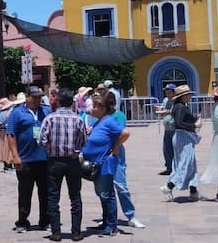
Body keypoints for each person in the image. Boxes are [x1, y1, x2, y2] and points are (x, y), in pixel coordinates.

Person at [38, 88, 86, 242]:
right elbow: (84, 140)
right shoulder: (78, 119)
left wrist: (51, 148)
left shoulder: (50, 119)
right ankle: (76, 232)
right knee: (75, 196)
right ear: (71, 102)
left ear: (58, 101)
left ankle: (56, 232)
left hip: (54, 161)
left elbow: (41, 141)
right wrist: (76, 149)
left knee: (53, 196)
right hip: (72, 161)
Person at [82, 91, 130, 237]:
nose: (92, 109)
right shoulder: (99, 121)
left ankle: (111, 226)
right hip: (96, 164)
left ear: (103, 109)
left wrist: (115, 147)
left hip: (105, 163)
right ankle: (106, 222)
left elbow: (125, 133)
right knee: (102, 194)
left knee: (107, 194)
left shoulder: (108, 120)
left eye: (95, 107)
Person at [8, 86, 51, 233]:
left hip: (44, 158)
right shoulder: (17, 112)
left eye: (39, 97)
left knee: (45, 192)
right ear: (27, 97)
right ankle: (22, 221)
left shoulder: (46, 111)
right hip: (25, 159)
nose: (38, 99)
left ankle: (45, 220)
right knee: (25, 192)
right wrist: (15, 156)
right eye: (35, 97)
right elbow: (11, 135)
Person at [109, 94, 146, 229]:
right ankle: (108, 217)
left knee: (121, 185)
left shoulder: (119, 116)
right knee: (105, 189)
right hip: (103, 154)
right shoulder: (100, 116)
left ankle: (130, 216)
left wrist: (115, 147)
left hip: (116, 153)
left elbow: (122, 134)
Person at [160, 84, 202, 201]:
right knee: (185, 163)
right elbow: (179, 123)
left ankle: (193, 191)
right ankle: (169, 186)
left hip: (183, 137)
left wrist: (194, 118)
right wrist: (195, 124)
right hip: (182, 138)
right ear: (182, 96)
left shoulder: (181, 106)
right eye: (188, 95)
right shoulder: (180, 107)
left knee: (190, 164)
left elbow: (183, 120)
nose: (190, 96)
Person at [156, 84, 177, 175]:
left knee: (175, 149)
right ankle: (169, 167)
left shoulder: (176, 101)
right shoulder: (165, 100)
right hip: (167, 128)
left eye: (169, 92)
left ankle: (176, 168)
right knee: (166, 149)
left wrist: (163, 111)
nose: (167, 93)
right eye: (166, 91)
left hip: (174, 128)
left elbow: (173, 111)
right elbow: (164, 108)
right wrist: (160, 109)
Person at [0, 97, 16, 173]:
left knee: (3, 148)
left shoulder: (0, 113)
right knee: (9, 148)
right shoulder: (9, 112)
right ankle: (9, 165)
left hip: (2, 131)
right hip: (8, 131)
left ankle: (5, 165)